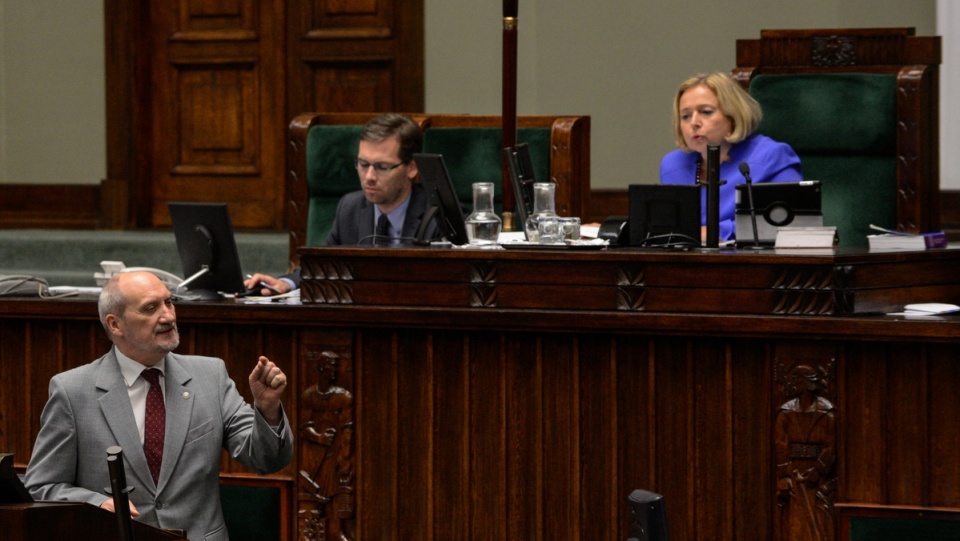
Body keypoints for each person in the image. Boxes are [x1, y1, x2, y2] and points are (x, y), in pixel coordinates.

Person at [24, 271, 293, 541]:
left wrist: (267, 409)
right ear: (115, 324)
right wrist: (95, 503)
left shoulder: (210, 376)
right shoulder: (72, 391)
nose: (168, 316)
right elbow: (41, 486)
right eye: (151, 308)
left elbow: (266, 460)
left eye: (169, 302)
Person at [244, 113, 441, 295]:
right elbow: (322, 266)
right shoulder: (350, 208)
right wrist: (287, 283)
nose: (369, 177)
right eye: (363, 164)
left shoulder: (439, 217)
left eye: (382, 167)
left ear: (412, 168)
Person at [660, 72, 803, 242]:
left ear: (733, 115)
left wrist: (716, 232)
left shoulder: (771, 156)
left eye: (706, 112)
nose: (694, 123)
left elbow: (788, 222)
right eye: (685, 116)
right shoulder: (673, 165)